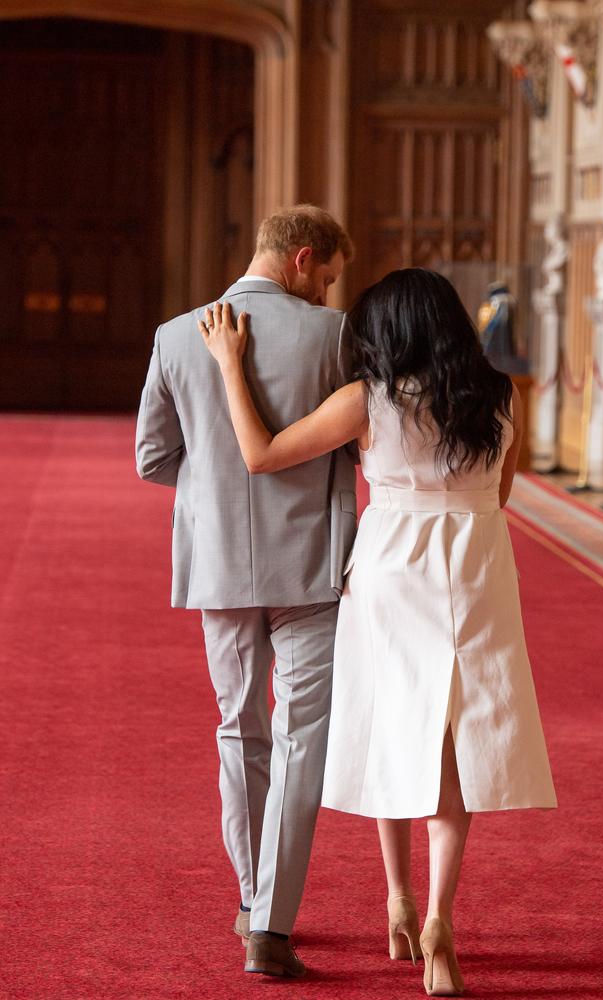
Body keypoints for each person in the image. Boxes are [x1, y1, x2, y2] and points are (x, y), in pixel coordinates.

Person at [199, 267, 557, 997]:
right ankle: (436, 920)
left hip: (392, 568)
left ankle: (395, 898)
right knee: (457, 745)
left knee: (396, 731)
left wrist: (232, 366)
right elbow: (502, 495)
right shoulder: (498, 396)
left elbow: (261, 454)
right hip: (477, 565)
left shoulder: (369, 400)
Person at [135, 205, 357, 979]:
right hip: (313, 566)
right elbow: (364, 441)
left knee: (239, 727)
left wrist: (213, 487)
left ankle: (248, 893)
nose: (331, 292)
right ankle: (271, 922)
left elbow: (151, 458)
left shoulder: (174, 335)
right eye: (327, 277)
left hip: (219, 564)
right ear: (302, 259)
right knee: (301, 742)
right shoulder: (334, 338)